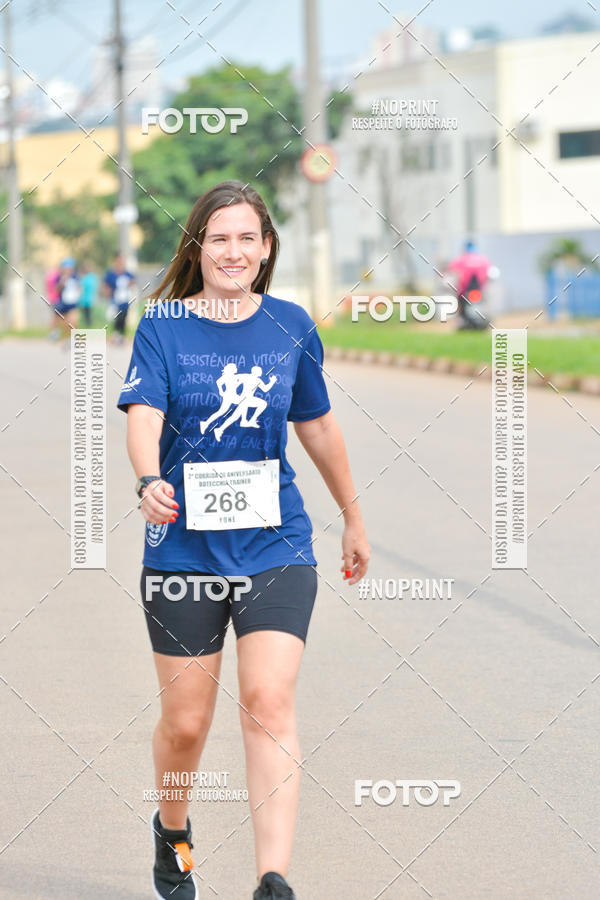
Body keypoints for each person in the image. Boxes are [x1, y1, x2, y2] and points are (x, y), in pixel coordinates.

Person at [116, 181, 370, 899]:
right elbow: (142, 414)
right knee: (187, 723)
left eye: (247, 239)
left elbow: (316, 424)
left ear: (266, 249)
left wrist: (352, 514)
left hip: (274, 546)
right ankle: (173, 834)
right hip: (182, 552)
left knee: (268, 699)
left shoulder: (291, 325)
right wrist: (146, 480)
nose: (234, 251)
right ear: (198, 247)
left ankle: (272, 878)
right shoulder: (163, 325)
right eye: (219, 238)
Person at [446, 239, 493, 328]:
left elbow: (451, 270)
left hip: (464, 291)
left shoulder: (460, 259)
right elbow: (489, 273)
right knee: (485, 301)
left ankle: (462, 319)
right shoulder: (483, 259)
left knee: (460, 303)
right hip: (479, 290)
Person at [103, 252, 136, 344]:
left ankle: (121, 335)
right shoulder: (111, 274)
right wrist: (107, 292)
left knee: (124, 317)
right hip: (115, 300)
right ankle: (115, 334)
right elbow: (105, 286)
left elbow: (133, 283)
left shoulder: (128, 273)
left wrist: (130, 284)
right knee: (117, 317)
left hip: (125, 300)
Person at [53, 257, 81, 345]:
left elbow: (79, 289)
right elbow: (57, 289)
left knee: (73, 321)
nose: (68, 270)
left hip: (73, 304)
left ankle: (73, 338)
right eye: (66, 268)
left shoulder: (75, 277)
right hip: (63, 303)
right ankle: (63, 336)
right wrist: (62, 282)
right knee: (64, 322)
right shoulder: (60, 277)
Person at [78, 262, 99, 327]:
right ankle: (88, 326)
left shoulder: (86, 278)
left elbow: (81, 288)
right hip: (87, 300)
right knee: (87, 316)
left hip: (87, 300)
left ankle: (88, 327)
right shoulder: (92, 277)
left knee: (88, 316)